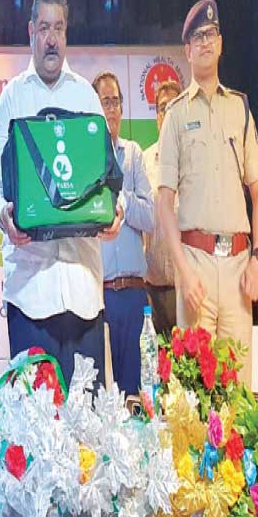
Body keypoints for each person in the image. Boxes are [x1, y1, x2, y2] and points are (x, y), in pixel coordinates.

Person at [0, 0, 123, 388]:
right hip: (30, 295)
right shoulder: (12, 98)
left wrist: (115, 211)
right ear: (31, 32)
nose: (51, 39)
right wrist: (4, 216)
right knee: (34, 422)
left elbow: (110, 177)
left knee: (88, 422)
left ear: (66, 33)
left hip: (84, 295)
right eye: (44, 28)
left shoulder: (85, 97)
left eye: (58, 28)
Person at [157, 0, 258, 387]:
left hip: (239, 267)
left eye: (211, 34)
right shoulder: (175, 114)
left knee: (237, 390)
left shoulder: (240, 108)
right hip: (196, 267)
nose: (205, 42)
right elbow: (164, 204)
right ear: (187, 51)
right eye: (197, 37)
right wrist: (183, 272)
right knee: (196, 395)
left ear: (220, 43)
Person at [93, 71, 154, 397]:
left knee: (137, 395)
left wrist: (122, 197)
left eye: (116, 101)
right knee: (104, 395)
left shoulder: (133, 154)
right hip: (99, 298)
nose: (112, 109)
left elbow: (151, 217)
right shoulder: (86, 163)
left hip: (133, 295)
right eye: (105, 102)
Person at [142, 80, 182, 337]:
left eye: (171, 107)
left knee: (190, 358)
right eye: (161, 108)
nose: (165, 113)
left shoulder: (192, 159)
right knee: (154, 357)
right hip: (152, 286)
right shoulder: (144, 160)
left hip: (187, 284)